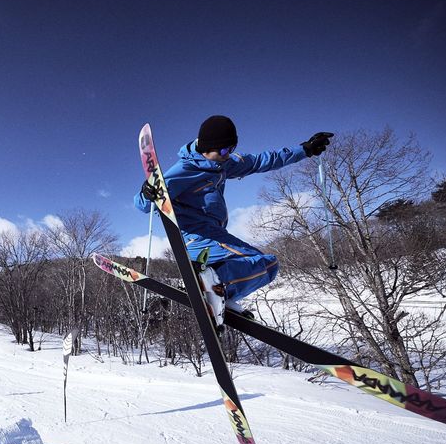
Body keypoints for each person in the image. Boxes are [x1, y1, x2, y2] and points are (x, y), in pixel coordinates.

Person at [135, 115, 332, 319]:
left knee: (268, 266)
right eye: (223, 151)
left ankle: (222, 294)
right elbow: (143, 205)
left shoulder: (223, 163)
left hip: (215, 234)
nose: (227, 155)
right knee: (262, 263)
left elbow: (262, 160)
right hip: (197, 237)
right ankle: (209, 287)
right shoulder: (185, 170)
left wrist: (305, 150)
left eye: (231, 149)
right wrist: (147, 193)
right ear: (207, 148)